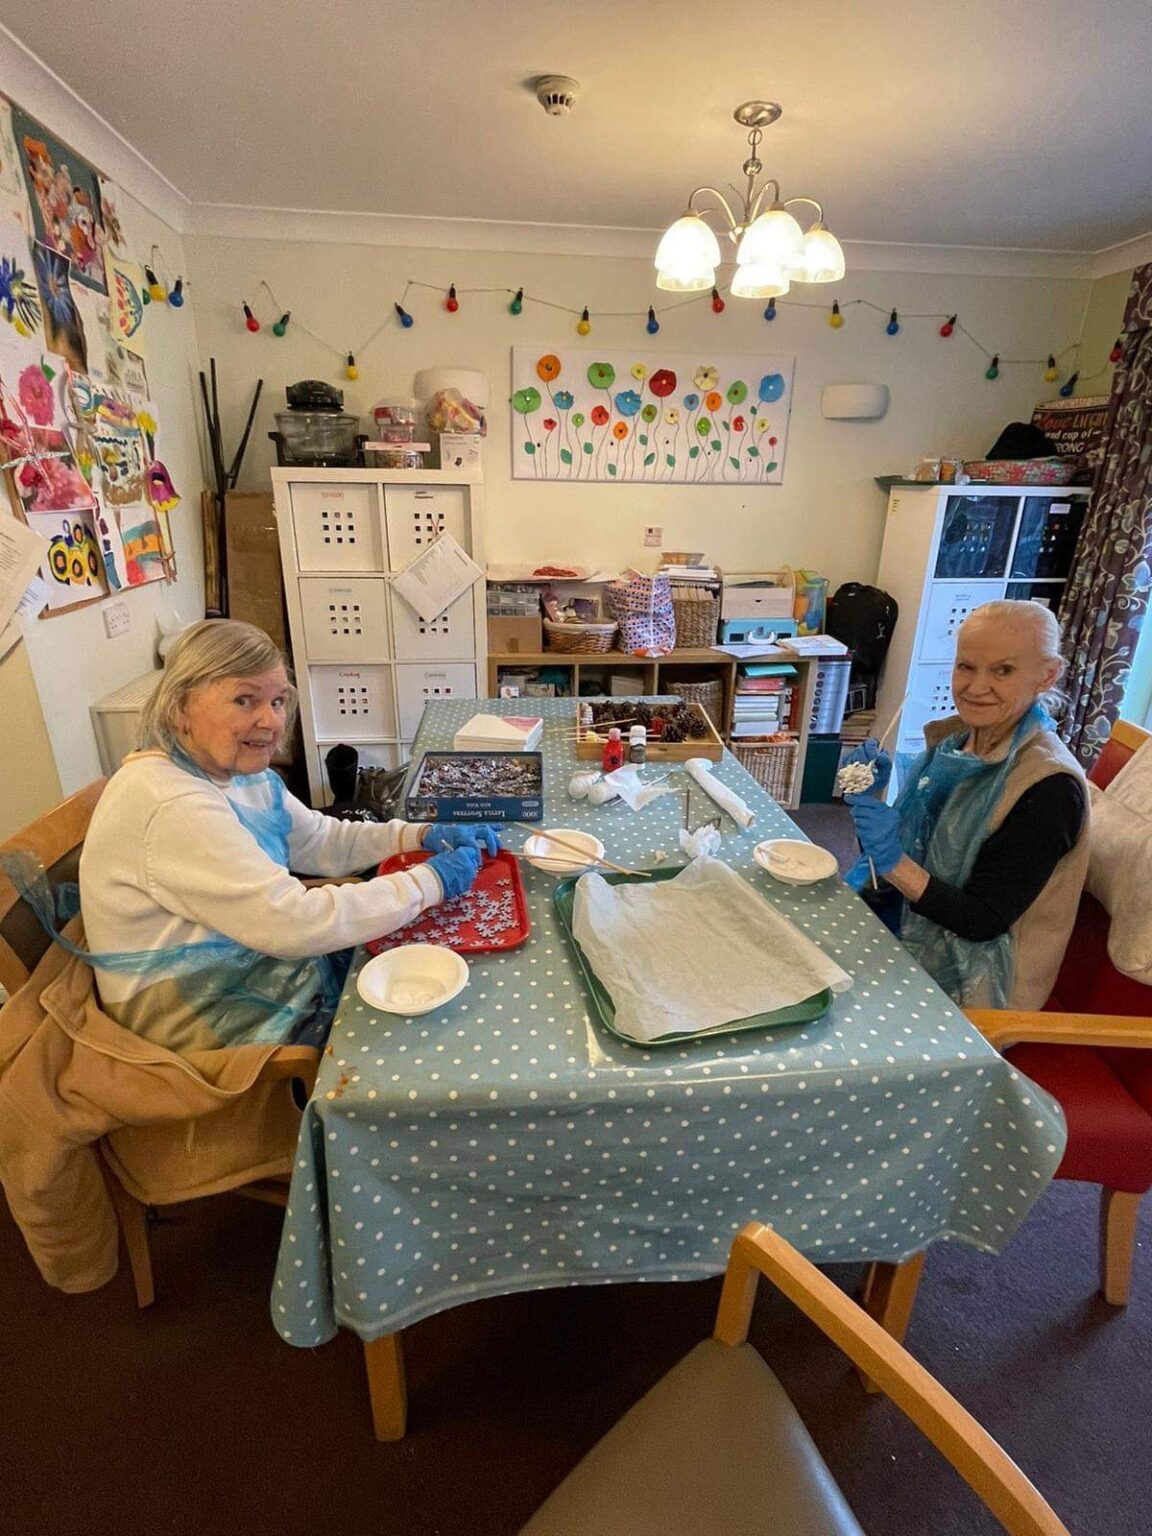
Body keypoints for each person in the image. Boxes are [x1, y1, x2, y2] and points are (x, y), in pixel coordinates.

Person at [78, 620, 501, 1051]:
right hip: (193, 1011)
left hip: (244, 959)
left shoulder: (234, 771)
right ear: (178, 708)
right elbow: (292, 923)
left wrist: (418, 834)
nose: (270, 720)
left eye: (278, 701)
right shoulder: (171, 803)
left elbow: (319, 840)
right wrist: (429, 882)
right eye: (244, 700)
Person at [843, 600, 1089, 1009]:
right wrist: (868, 799)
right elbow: (890, 863)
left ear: (1048, 675)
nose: (976, 687)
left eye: (1003, 670)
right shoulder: (954, 743)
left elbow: (980, 921)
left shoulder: (1050, 789)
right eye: (966, 666)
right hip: (905, 928)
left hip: (974, 991)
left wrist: (892, 860)